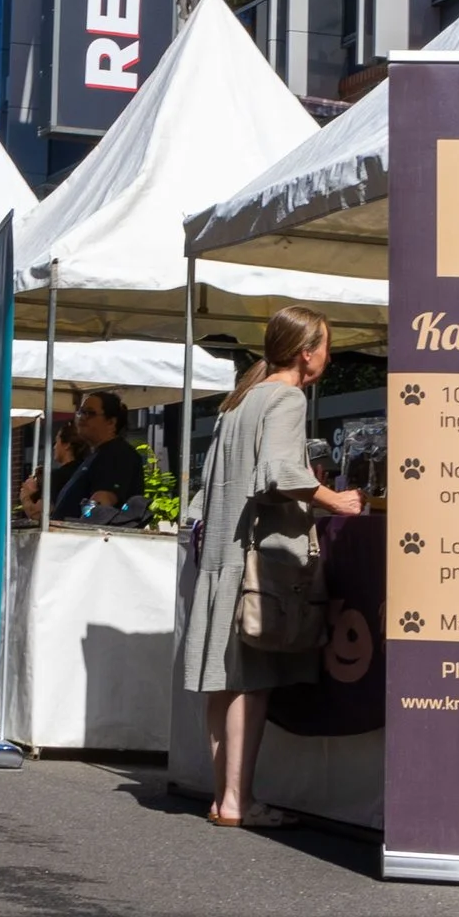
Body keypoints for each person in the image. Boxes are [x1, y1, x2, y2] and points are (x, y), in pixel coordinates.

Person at [177, 307, 364, 832]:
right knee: (251, 686)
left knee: (226, 683)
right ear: (307, 352)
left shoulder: (240, 401)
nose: (328, 354)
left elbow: (211, 484)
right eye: (325, 344)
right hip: (259, 562)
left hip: (223, 555)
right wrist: (336, 500)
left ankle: (224, 798)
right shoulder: (285, 397)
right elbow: (280, 473)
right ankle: (239, 800)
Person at [48, 386, 145, 522]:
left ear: (111, 422)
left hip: (88, 540)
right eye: (81, 412)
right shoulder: (98, 454)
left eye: (90, 413)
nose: (82, 418)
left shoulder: (117, 454)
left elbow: (102, 502)